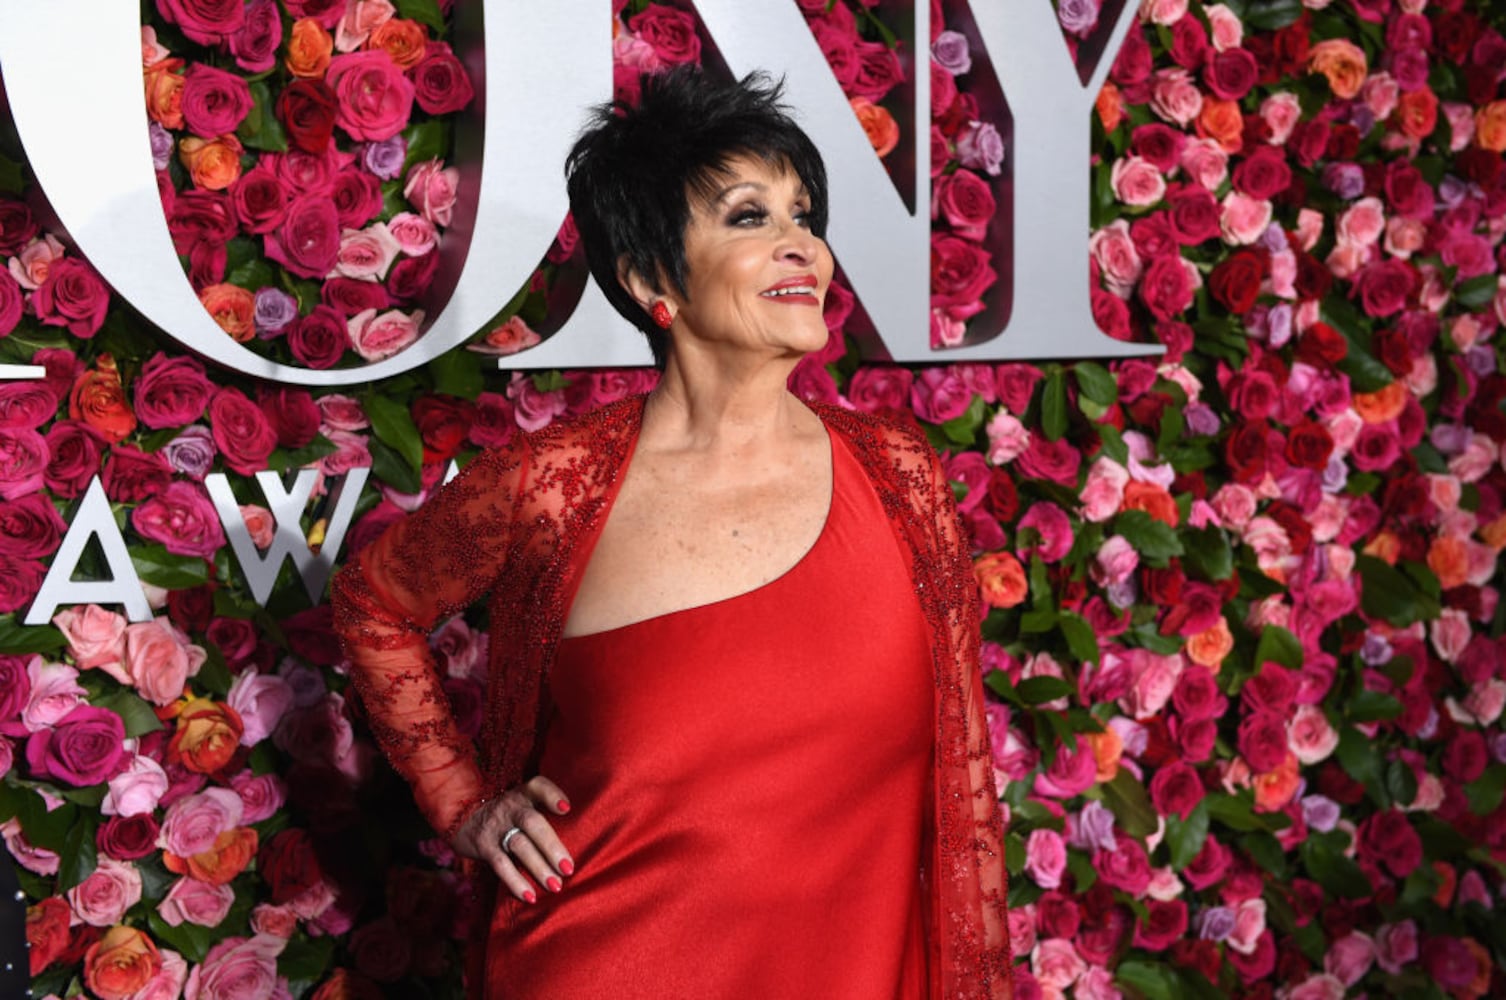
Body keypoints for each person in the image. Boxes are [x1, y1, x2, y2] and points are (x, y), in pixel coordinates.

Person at [332, 66, 1011, 999]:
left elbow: (958, 784)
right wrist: (465, 802)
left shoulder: (901, 479)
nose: (801, 247)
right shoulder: (553, 491)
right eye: (749, 218)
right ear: (653, 277)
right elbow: (374, 599)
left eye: (803, 215)